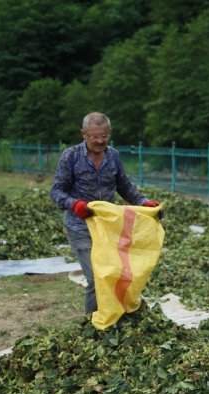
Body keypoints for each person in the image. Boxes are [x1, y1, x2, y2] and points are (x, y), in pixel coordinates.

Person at [50, 112, 160, 315]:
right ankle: (92, 325)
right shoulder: (71, 156)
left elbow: (124, 187)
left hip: (109, 227)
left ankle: (115, 316)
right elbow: (56, 191)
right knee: (96, 278)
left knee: (116, 273)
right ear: (83, 134)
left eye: (105, 136)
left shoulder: (114, 156)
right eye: (94, 136)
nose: (100, 141)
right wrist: (74, 204)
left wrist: (144, 202)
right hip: (80, 227)